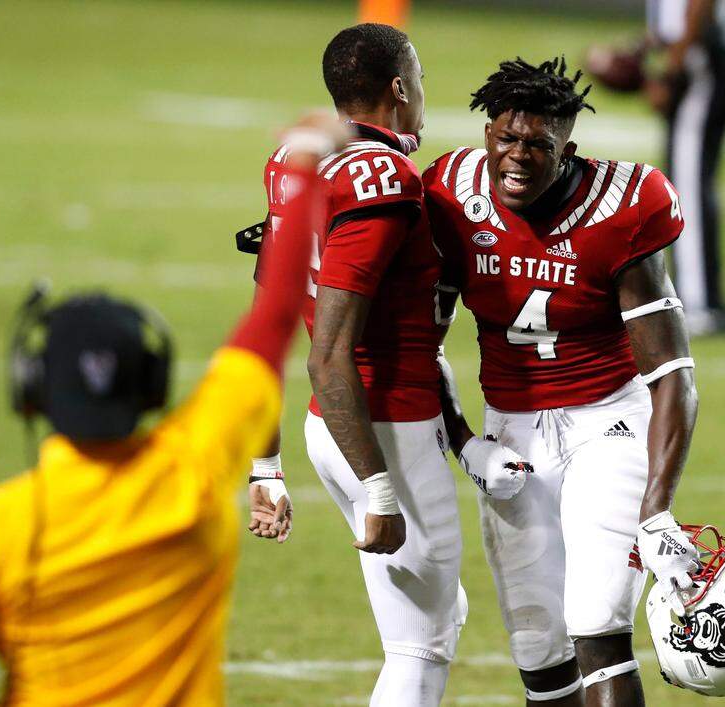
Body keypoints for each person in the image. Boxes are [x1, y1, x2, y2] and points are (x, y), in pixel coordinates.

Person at [0, 115, 344, 704]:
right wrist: (303, 167)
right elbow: (273, 319)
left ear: (30, 390)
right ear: (154, 387)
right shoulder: (195, 467)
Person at [242, 24, 530, 707]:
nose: (426, 93)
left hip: (332, 430)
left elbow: (267, 322)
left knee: (438, 612)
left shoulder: (298, 156)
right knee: (420, 649)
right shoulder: (385, 178)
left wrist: (264, 466)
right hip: (385, 434)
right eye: (420, 77)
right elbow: (327, 354)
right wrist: (379, 488)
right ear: (399, 87)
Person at [424, 57, 703, 707]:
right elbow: (419, 344)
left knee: (598, 633)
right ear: (487, 132)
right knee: (539, 651)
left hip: (608, 423)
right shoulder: (451, 192)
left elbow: (672, 374)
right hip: (511, 429)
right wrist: (467, 442)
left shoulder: (624, 205)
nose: (517, 157)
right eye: (506, 139)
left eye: (538, 145)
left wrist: (656, 508)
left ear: (567, 148)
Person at [645, 0, 725, 335]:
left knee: (687, 186)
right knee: (691, 181)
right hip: (711, 50)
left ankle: (699, 305)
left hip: (703, 57)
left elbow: (698, 5)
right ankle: (707, 301)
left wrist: (672, 70)